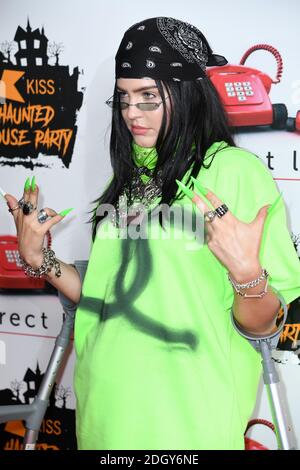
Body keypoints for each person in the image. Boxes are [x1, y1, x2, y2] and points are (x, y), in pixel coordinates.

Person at [3, 17, 300, 450]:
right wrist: (40, 260)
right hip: (103, 409)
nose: (130, 113)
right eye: (123, 98)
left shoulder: (234, 172)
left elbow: (263, 326)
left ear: (187, 93)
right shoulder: (130, 175)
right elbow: (107, 295)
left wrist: (247, 274)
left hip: (185, 420)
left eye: (148, 97)